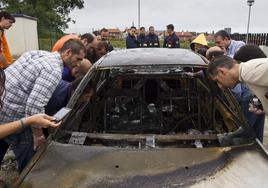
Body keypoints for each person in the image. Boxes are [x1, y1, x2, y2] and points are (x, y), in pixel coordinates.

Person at [0, 39, 86, 172]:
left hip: (2, 110)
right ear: (68, 52)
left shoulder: (37, 53)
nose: (79, 64)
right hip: (15, 117)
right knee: (31, 163)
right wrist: (38, 135)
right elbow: (34, 107)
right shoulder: (53, 70)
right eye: (78, 59)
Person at [208, 55, 268, 132]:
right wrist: (263, 106)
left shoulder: (248, 73)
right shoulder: (247, 73)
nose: (220, 86)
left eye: (217, 81)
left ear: (222, 72)